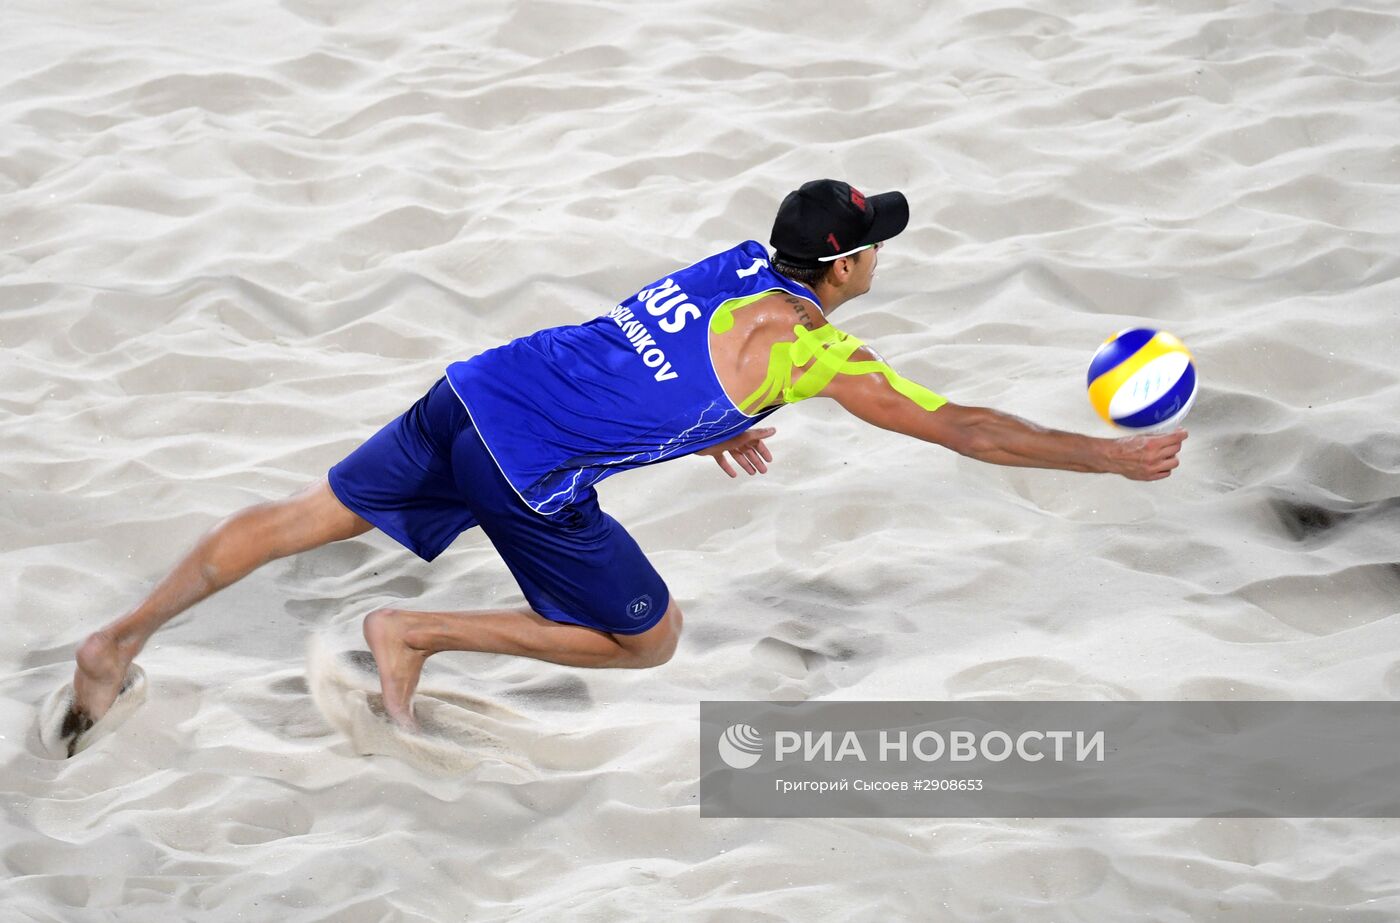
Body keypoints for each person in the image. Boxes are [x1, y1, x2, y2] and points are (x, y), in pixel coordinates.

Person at [65, 179, 1185, 743]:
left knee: (303, 512)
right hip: (526, 464)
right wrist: (1107, 456)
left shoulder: (739, 259)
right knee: (647, 637)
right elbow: (968, 429)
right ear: (837, 266)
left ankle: (116, 642)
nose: (878, 255)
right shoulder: (815, 352)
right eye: (871, 245)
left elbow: (659, 359)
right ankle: (410, 631)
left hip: (476, 385)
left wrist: (713, 419)